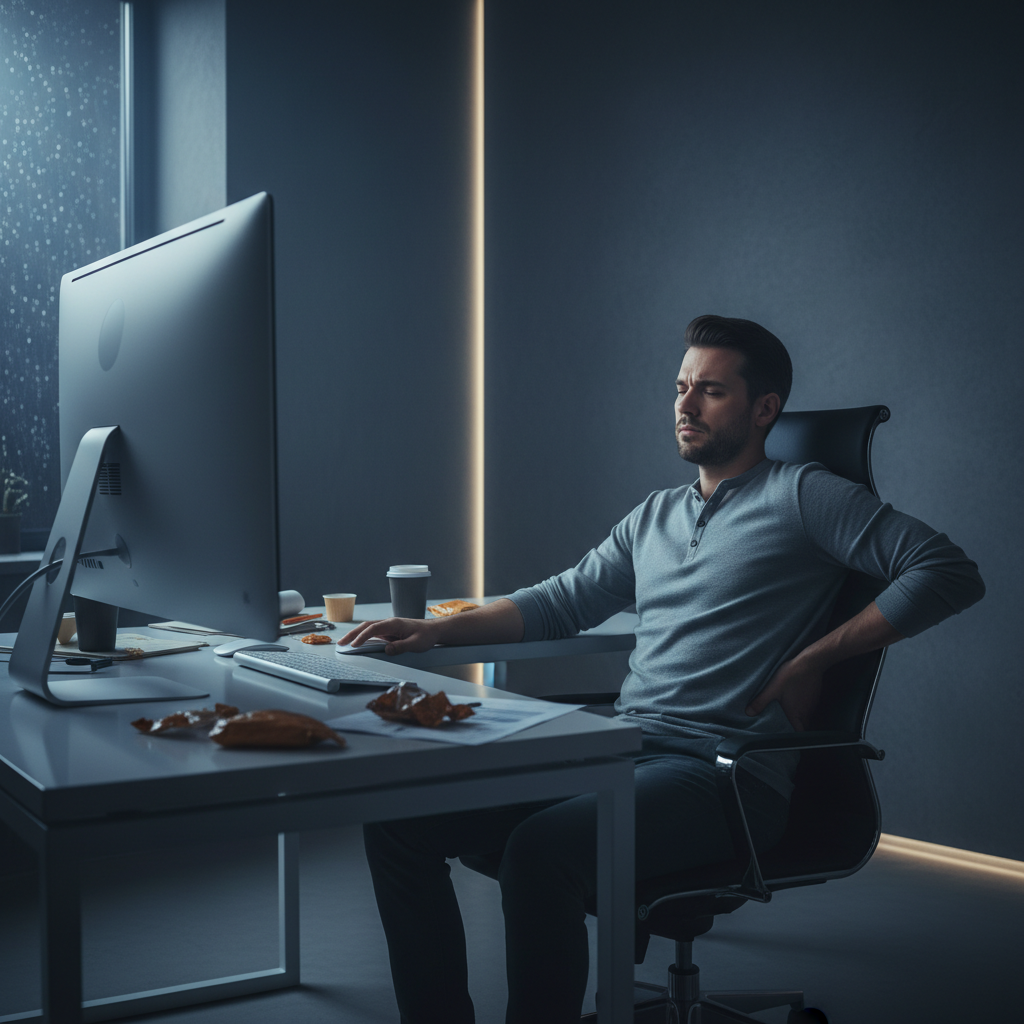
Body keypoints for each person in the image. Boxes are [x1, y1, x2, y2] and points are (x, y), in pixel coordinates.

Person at [342, 315, 985, 1024]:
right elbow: (561, 602)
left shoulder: (804, 495)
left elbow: (947, 571)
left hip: (721, 777)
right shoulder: (656, 514)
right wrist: (432, 632)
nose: (684, 405)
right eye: (681, 387)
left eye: (709, 390)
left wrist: (814, 657)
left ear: (764, 409)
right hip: (624, 747)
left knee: (538, 852)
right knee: (400, 824)